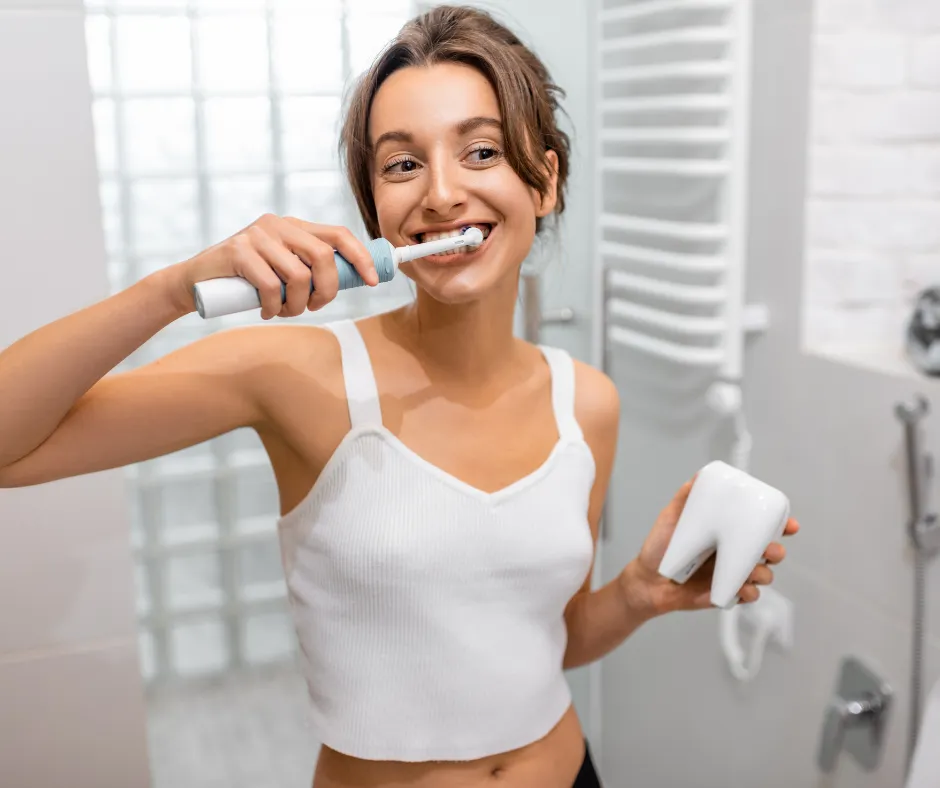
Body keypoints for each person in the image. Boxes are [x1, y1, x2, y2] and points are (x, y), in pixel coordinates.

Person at [0, 6, 798, 788]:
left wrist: (637, 594)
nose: (443, 194)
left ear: (544, 183)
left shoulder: (586, 403)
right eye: (402, 164)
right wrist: (173, 287)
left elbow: (540, 642)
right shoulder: (299, 376)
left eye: (481, 151)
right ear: (376, 209)